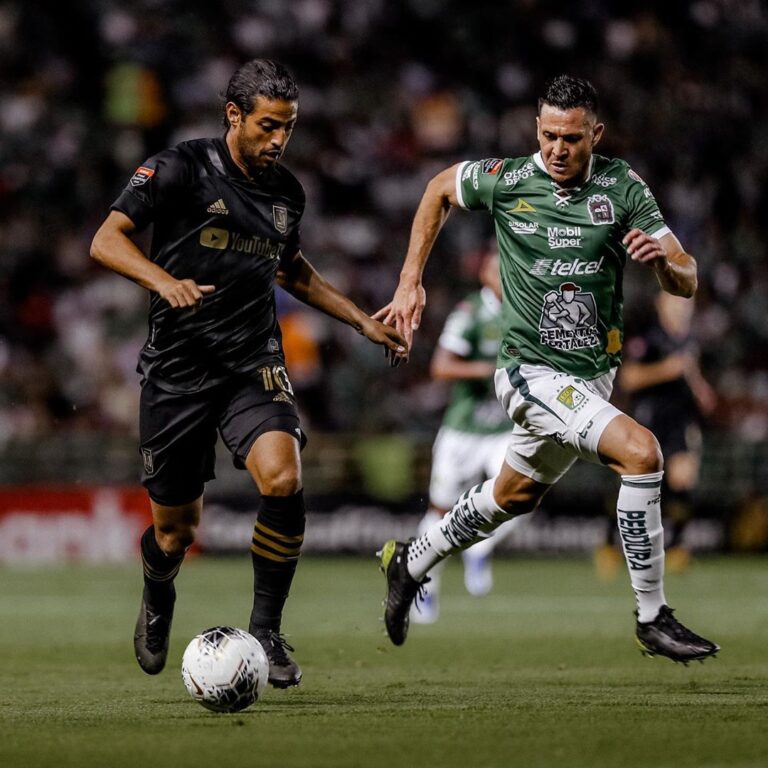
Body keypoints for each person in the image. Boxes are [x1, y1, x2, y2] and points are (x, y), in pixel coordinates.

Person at [375, 74, 719, 663]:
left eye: (572, 138)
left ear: (596, 134)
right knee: (642, 454)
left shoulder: (623, 186)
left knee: (512, 494)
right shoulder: (509, 179)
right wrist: (410, 281)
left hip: (590, 378)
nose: (558, 149)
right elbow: (437, 189)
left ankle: (412, 560)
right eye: (549, 135)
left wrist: (663, 261)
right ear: (537, 128)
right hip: (528, 374)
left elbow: (687, 277)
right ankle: (652, 615)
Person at [90, 59, 406, 688]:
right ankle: (158, 590)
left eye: (287, 127)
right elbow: (105, 240)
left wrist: (359, 320)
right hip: (177, 370)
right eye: (268, 126)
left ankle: (264, 627)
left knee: (283, 477)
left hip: (251, 362)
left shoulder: (286, 193)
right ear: (234, 115)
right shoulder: (178, 167)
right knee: (176, 532)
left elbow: (293, 272)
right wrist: (165, 281)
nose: (279, 140)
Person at [412, 250, 524, 624]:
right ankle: (423, 583)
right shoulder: (469, 313)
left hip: (503, 429)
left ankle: (480, 548)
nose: (504, 273)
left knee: (522, 495)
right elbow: (441, 367)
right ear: (484, 274)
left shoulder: (526, 308)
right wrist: (490, 369)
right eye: (497, 268)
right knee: (439, 512)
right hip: (463, 430)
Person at [594, 291, 717, 578]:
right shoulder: (647, 339)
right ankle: (609, 544)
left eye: (686, 304)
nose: (681, 309)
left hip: (680, 419)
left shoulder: (688, 341)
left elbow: (692, 376)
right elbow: (630, 379)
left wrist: (702, 393)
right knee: (633, 482)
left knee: (683, 479)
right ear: (661, 305)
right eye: (675, 303)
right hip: (649, 418)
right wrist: (667, 369)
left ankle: (677, 547)